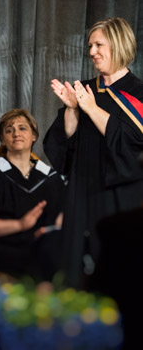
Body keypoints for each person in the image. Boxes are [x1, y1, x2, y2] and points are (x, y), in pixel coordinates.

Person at [44, 16, 143, 289]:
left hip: (122, 197)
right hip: (83, 191)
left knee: (119, 267)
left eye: (99, 44)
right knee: (78, 266)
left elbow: (133, 144)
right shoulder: (85, 90)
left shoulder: (138, 93)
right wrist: (72, 110)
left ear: (119, 44)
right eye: (90, 45)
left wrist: (91, 108)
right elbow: (66, 145)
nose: (92, 52)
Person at [0, 109, 64, 280]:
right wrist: (19, 225)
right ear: (2, 139)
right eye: (9, 130)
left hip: (41, 259)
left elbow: (60, 220)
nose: (16, 133)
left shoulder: (52, 178)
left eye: (22, 128)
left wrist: (53, 229)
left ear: (34, 136)